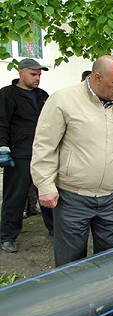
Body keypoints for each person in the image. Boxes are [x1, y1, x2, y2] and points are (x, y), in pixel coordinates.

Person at [31, 55, 113, 267]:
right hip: (72, 199)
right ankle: (70, 298)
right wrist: (45, 185)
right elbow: (44, 146)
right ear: (97, 78)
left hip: (112, 199)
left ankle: (107, 298)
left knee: (110, 260)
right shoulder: (63, 100)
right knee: (70, 263)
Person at [0, 58, 54, 253]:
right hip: (20, 153)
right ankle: (7, 236)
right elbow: (2, 123)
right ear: (21, 72)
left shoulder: (42, 95)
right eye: (33, 74)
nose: (37, 78)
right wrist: (3, 147)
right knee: (15, 196)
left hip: (43, 153)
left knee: (47, 191)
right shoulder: (7, 95)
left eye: (39, 74)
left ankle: (54, 228)